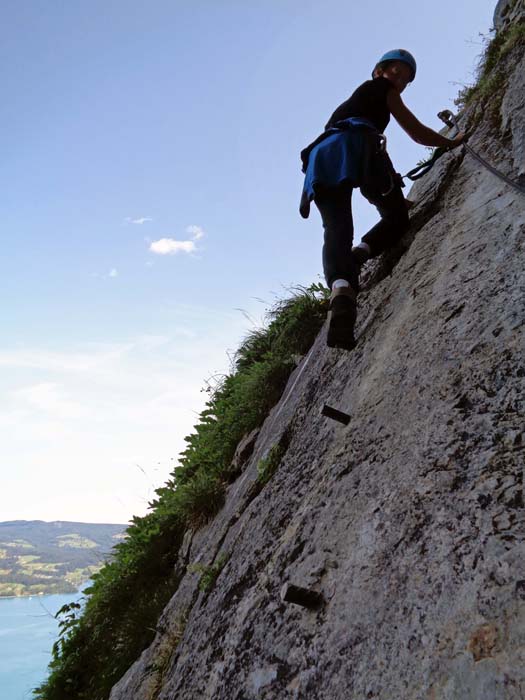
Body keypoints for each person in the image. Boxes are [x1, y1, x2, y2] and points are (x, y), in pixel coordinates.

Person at [299, 49, 466, 350]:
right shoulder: (380, 88)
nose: (399, 80)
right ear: (379, 71)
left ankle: (341, 289)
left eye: (406, 78)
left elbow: (370, 147)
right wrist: (451, 142)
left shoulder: (351, 105)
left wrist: (394, 193)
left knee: (336, 229)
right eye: (396, 72)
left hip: (321, 157)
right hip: (357, 145)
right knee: (396, 219)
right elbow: (415, 133)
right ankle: (360, 253)